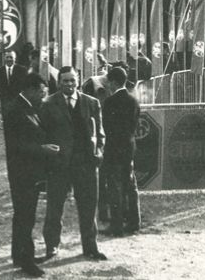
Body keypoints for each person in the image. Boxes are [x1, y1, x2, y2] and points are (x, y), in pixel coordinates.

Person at [40, 66, 107, 261]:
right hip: (59, 165)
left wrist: (99, 151)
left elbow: (100, 132)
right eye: (65, 81)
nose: (69, 84)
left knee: (88, 207)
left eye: (72, 80)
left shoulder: (92, 103)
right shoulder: (48, 104)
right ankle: (51, 246)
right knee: (54, 208)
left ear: (78, 81)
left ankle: (90, 246)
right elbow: (43, 133)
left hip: (85, 163)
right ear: (59, 82)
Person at [3, 73, 57, 277]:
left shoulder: (26, 107)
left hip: (28, 171)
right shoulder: (16, 110)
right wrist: (42, 149)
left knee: (23, 215)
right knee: (26, 216)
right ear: (31, 89)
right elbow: (17, 145)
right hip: (22, 172)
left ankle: (18, 254)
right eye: (42, 92)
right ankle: (27, 261)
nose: (43, 96)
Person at [102, 67, 141, 237]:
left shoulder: (110, 102)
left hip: (114, 150)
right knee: (131, 186)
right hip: (129, 148)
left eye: (108, 82)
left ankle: (116, 225)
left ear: (113, 82)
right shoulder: (134, 100)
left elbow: (107, 128)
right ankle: (134, 222)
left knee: (115, 188)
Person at [0, 51, 27, 115]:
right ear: (4, 58)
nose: (9, 59)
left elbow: (25, 86)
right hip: (5, 103)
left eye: (11, 57)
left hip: (18, 102)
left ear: (15, 59)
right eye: (7, 57)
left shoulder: (22, 70)